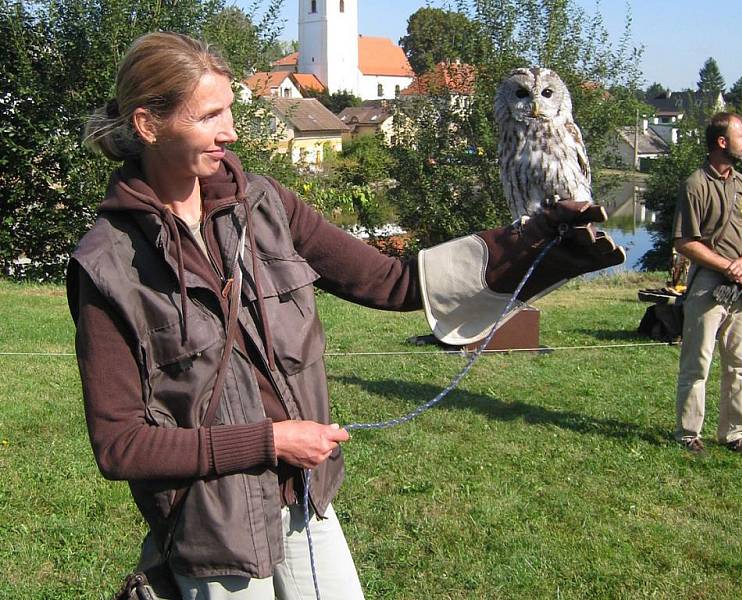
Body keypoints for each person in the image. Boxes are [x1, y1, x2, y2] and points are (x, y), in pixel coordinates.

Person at [70, 32, 624, 600]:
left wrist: (530, 245)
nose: (231, 131)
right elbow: (121, 446)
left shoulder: (263, 205)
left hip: (305, 504)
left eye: (230, 109)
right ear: (147, 125)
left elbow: (394, 282)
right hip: (211, 531)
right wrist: (269, 442)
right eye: (210, 116)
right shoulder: (107, 264)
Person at [672, 112, 742, 459]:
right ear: (722, 142)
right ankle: (688, 435)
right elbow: (685, 242)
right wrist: (730, 266)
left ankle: (733, 435)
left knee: (740, 364)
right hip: (707, 286)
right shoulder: (695, 184)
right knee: (697, 364)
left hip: (741, 287)